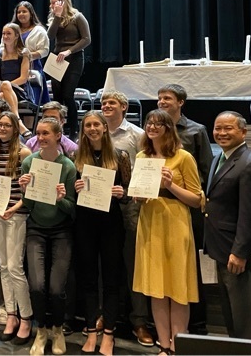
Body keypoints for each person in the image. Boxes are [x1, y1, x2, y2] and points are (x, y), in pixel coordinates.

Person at [133, 109, 203, 355]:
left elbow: (197, 199)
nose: (152, 127)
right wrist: (138, 195)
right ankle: (164, 346)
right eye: (149, 123)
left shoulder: (183, 157)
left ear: (168, 128)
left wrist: (170, 185)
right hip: (150, 223)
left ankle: (178, 345)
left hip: (175, 224)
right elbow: (140, 196)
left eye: (158, 124)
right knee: (157, 289)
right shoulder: (142, 156)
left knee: (177, 288)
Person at [205, 111, 251, 340]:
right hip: (222, 251)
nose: (221, 133)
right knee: (233, 320)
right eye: (217, 128)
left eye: (228, 128)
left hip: (239, 257)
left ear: (243, 132)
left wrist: (240, 253)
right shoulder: (219, 158)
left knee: (248, 324)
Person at [73, 111, 131, 355]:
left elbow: (130, 193)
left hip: (111, 224)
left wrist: (122, 193)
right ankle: (91, 331)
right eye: (88, 125)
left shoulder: (120, 156)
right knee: (87, 279)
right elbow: (69, 192)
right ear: (83, 129)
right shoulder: (77, 156)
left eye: (97, 124)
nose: (93, 128)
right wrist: (75, 188)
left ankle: (109, 334)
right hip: (85, 223)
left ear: (105, 128)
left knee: (111, 280)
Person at [19, 117, 78, 356]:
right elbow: (29, 205)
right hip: (36, 228)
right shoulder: (29, 163)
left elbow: (73, 209)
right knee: (36, 285)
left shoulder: (68, 167)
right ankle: (41, 331)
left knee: (55, 288)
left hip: (61, 230)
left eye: (46, 134)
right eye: (39, 133)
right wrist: (26, 191)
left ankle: (57, 329)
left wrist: (60, 199)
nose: (41, 138)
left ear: (58, 136)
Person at [157, 83, 213, 334]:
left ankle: (197, 327)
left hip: (188, 209)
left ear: (181, 102)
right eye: (159, 99)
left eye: (167, 98)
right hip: (159, 210)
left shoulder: (195, 131)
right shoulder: (154, 133)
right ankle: (165, 329)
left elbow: (206, 171)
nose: (162, 102)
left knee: (191, 271)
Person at [100, 91, 154, 347]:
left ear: (123, 107)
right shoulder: (95, 132)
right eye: (103, 103)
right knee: (106, 265)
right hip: (102, 206)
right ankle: (105, 314)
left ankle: (139, 321)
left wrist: (131, 193)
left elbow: (145, 170)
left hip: (131, 207)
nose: (106, 106)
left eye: (112, 103)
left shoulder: (137, 135)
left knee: (134, 267)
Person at [0, 111, 33, 344]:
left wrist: (14, 208)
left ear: (16, 128)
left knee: (16, 267)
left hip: (17, 214)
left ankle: (26, 317)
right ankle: (11, 315)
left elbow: (31, 192)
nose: (2, 129)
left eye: (7, 125)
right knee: (3, 267)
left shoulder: (24, 153)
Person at [47, 0, 91, 137]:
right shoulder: (55, 18)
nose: (52, 6)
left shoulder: (77, 17)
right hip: (57, 59)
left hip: (74, 58)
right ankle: (58, 128)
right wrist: (57, 16)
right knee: (57, 96)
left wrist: (69, 51)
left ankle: (74, 130)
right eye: (51, 3)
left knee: (68, 94)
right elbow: (50, 36)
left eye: (55, 3)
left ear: (63, 2)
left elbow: (86, 39)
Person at [0, 23, 33, 136]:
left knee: (2, 94)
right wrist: (4, 86)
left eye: (8, 33)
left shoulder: (24, 53)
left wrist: (7, 86)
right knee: (1, 95)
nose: (5, 36)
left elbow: (23, 78)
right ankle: (16, 126)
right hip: (3, 89)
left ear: (16, 36)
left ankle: (14, 124)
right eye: (3, 33)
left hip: (21, 89)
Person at [11, 1, 50, 105]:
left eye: (24, 11)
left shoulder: (39, 30)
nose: (21, 14)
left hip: (33, 69)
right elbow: (2, 46)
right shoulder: (11, 29)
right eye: (19, 12)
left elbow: (44, 50)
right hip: (12, 68)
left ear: (31, 13)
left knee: (32, 102)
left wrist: (26, 56)